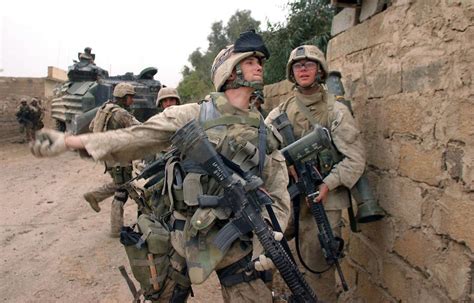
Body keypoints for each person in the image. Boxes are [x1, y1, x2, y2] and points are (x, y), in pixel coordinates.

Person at [31, 31, 290, 302]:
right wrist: (70, 142)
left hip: (237, 241)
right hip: (183, 236)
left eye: (260, 61)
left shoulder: (263, 130)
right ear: (230, 70)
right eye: (250, 61)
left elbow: (278, 191)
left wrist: (268, 241)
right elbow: (136, 137)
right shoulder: (192, 115)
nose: (259, 65)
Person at [264, 45, 366, 302]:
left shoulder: (335, 111)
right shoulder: (280, 112)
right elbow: (261, 149)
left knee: (319, 267)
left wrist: (328, 183)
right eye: (298, 66)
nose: (303, 69)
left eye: (309, 64)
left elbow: (355, 160)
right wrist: (282, 164)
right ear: (291, 73)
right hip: (290, 196)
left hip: (324, 200)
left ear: (320, 70)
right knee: (264, 245)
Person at [83, 82, 141, 237]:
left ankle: (115, 227)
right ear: (124, 97)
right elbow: (140, 129)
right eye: (130, 97)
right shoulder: (121, 113)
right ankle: (96, 196)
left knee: (121, 188)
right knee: (128, 188)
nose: (132, 101)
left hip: (108, 156)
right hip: (118, 158)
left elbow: (91, 127)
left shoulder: (104, 109)